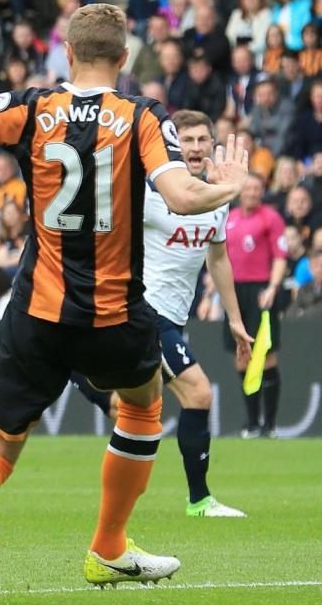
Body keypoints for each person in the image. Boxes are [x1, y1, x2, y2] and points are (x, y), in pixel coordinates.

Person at [0, 3, 251, 605]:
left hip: (37, 310)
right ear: (124, 60)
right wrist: (230, 186)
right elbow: (183, 195)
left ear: (67, 54)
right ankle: (109, 546)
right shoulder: (143, 116)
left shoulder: (30, 106)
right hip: (116, 315)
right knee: (143, 405)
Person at [75, 111, 252, 518]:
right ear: (174, 145)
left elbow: (219, 257)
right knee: (199, 392)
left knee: (131, 408)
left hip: (173, 318)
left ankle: (77, 368)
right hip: (144, 312)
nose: (194, 148)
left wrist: (236, 320)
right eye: (186, 140)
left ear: (211, 146)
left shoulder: (216, 198)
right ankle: (200, 500)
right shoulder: (151, 195)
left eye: (201, 140)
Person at [225, 173, 288, 438]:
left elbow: (280, 256)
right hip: (234, 292)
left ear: (262, 192)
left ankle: (269, 424)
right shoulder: (229, 218)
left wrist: (273, 287)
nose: (252, 193)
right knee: (242, 357)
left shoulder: (271, 218)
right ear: (240, 191)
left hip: (261, 290)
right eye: (248, 188)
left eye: (256, 189)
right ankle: (251, 423)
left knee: (266, 355)